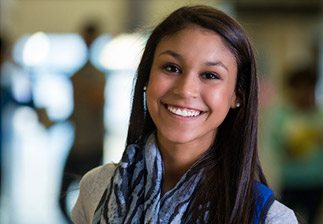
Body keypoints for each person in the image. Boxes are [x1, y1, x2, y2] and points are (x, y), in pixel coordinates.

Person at [71, 5, 297, 224]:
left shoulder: (270, 218)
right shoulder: (97, 188)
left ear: (237, 94)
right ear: (146, 79)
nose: (186, 90)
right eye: (171, 68)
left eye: (210, 75)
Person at [264, 66, 323, 224]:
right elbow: (275, 146)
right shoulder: (281, 115)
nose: (302, 94)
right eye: (298, 89)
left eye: (307, 88)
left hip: (317, 180)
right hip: (291, 180)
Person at [59, 23, 106, 222]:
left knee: (91, 202)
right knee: (60, 197)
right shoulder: (78, 74)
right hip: (78, 143)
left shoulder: (96, 74)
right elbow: (75, 113)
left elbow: (99, 102)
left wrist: (80, 88)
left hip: (92, 146)